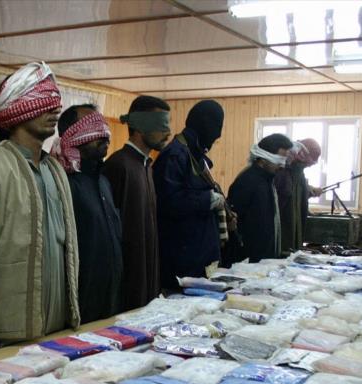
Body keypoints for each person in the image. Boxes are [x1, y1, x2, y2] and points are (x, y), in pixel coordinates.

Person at [0, 61, 80, 342]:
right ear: (18, 106)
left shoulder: (56, 171)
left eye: (55, 102)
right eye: (43, 102)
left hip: (58, 328)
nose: (54, 110)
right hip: (6, 333)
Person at [54, 104, 121, 323]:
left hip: (110, 301)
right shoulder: (64, 184)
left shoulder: (104, 182)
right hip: (80, 305)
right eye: (94, 128)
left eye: (104, 128)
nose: (105, 134)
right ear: (73, 136)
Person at [103, 96, 170, 311]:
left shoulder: (146, 166)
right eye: (161, 125)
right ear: (140, 127)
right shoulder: (118, 165)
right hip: (127, 283)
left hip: (147, 278)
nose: (168, 132)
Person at [153, 100, 226, 288]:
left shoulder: (195, 154)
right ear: (204, 124)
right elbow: (168, 202)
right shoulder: (175, 155)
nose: (218, 134)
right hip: (182, 259)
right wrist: (207, 200)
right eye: (217, 126)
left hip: (199, 255)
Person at [226, 133, 295, 263]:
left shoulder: (268, 180)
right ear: (263, 159)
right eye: (278, 160)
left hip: (264, 260)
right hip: (247, 261)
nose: (282, 165)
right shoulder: (247, 181)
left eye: (284, 161)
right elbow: (234, 224)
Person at [276, 138, 323, 254]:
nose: (310, 165)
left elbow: (299, 190)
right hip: (281, 233)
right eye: (311, 161)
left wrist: (311, 190)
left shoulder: (298, 172)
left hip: (294, 233)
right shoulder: (281, 172)